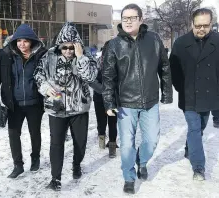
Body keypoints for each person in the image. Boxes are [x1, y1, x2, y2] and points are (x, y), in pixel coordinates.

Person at [102, 3, 173, 194]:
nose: (128, 21)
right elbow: (108, 76)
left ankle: (142, 160)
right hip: (126, 104)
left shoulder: (154, 39)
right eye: (125, 18)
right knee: (126, 145)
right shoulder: (114, 45)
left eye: (132, 18)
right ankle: (129, 177)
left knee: (151, 141)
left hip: (150, 101)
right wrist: (108, 102)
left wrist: (166, 93)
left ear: (141, 19)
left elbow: (164, 68)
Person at [34, 22, 97, 191]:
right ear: (59, 46)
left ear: (77, 45)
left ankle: (76, 164)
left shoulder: (86, 57)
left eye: (71, 47)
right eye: (64, 47)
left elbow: (90, 76)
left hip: (79, 108)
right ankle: (56, 178)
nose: (68, 51)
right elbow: (38, 75)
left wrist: (80, 56)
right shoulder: (49, 57)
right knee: (56, 143)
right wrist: (46, 89)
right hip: (56, 108)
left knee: (80, 143)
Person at [0, 24, 47, 178]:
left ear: (32, 42)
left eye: (26, 41)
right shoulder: (6, 54)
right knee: (13, 134)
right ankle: (18, 165)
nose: (22, 44)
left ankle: (35, 158)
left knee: (35, 133)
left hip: (35, 103)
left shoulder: (41, 55)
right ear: (15, 41)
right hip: (14, 104)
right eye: (19, 40)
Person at [170, 8, 219, 181]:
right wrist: (181, 89)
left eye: (206, 25)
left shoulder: (217, 41)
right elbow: (173, 71)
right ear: (192, 24)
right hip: (189, 95)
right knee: (195, 129)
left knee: (201, 127)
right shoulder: (181, 43)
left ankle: (189, 148)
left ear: (211, 24)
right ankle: (199, 167)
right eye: (198, 25)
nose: (201, 29)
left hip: (209, 95)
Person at [89, 40, 118, 158]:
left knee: (111, 122)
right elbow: (91, 80)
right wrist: (103, 90)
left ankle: (111, 147)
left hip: (112, 98)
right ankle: (103, 142)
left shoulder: (119, 63)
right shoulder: (97, 63)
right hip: (101, 97)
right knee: (103, 122)